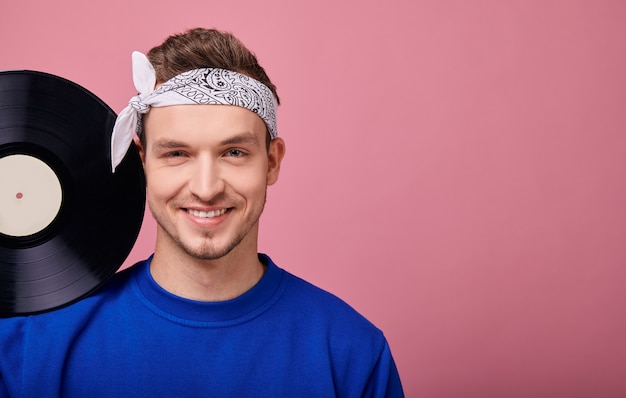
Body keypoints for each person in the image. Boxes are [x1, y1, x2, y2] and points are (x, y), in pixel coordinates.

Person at [0, 28, 404, 397]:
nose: (206, 188)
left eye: (234, 153)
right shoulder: (26, 349)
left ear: (272, 162)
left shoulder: (352, 354)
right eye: (177, 153)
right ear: (141, 164)